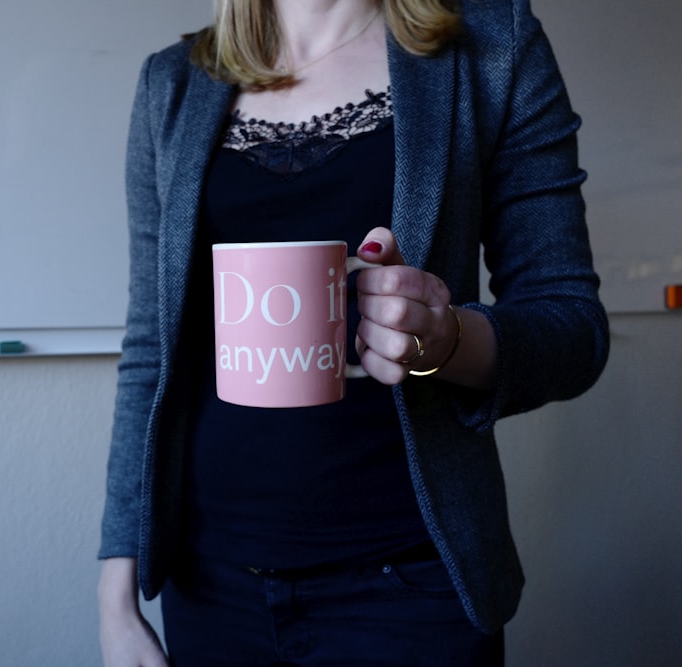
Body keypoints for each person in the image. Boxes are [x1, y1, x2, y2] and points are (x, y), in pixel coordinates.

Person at [98, 0, 609, 664]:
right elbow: (151, 353)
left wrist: (447, 340)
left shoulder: (493, 45)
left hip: (413, 590)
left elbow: (572, 324)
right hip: (210, 587)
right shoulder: (171, 84)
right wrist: (116, 595)